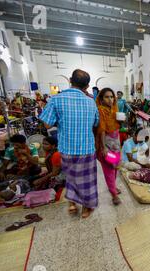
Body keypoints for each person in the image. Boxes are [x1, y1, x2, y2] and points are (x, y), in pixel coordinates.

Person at [39, 69, 100, 219]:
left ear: (70, 80)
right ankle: (87, 207)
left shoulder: (56, 99)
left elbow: (47, 125)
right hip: (86, 148)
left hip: (67, 148)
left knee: (71, 177)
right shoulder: (90, 101)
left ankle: (72, 203)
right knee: (87, 180)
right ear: (87, 86)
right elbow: (96, 122)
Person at [95, 88, 122, 205]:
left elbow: (116, 128)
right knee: (109, 168)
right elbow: (101, 130)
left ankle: (113, 187)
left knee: (115, 166)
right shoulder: (101, 110)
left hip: (115, 144)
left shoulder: (114, 110)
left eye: (111, 97)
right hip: (106, 144)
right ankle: (114, 195)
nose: (110, 99)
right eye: (107, 97)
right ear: (101, 99)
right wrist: (104, 147)